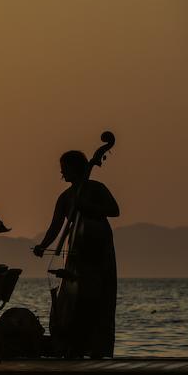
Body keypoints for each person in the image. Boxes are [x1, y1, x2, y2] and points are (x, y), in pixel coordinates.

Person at [33, 150, 120, 358]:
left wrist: (88, 207)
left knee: (97, 301)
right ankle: (74, 345)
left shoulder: (96, 188)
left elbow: (114, 210)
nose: (62, 173)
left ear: (76, 168)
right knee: (75, 301)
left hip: (98, 252)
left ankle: (96, 347)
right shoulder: (65, 197)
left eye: (64, 168)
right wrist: (43, 245)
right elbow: (55, 226)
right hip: (77, 254)